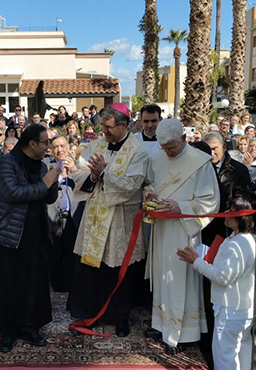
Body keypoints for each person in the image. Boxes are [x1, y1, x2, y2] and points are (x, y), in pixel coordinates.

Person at [67, 103, 148, 337]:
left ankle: (121, 318)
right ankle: (94, 314)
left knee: (120, 272)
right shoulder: (98, 144)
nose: (105, 131)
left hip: (120, 220)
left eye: (110, 127)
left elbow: (132, 185)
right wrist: (92, 176)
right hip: (95, 217)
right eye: (103, 125)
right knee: (95, 269)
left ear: (124, 126)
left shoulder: (137, 150)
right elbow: (79, 172)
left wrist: (103, 173)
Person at [144, 118, 220, 354]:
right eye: (164, 148)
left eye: (172, 148)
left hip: (184, 230)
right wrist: (148, 192)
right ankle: (161, 324)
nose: (168, 153)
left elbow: (211, 202)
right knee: (162, 277)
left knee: (179, 278)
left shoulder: (200, 163)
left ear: (185, 139)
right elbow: (150, 183)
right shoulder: (157, 157)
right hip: (161, 229)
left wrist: (180, 206)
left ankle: (183, 332)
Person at [0, 124, 60, 353]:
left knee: (32, 284)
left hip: (34, 233)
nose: (49, 146)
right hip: (7, 234)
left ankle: (29, 327)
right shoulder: (6, 163)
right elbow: (14, 193)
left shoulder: (41, 164)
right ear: (32, 144)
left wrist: (53, 181)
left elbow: (47, 198)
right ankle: (7, 332)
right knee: (8, 285)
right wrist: (45, 183)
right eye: (45, 142)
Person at [177, 198, 255, 370]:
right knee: (242, 355)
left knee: (224, 358)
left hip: (230, 311)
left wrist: (197, 261)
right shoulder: (243, 239)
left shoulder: (237, 245)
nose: (225, 214)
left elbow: (222, 277)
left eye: (230, 211)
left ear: (239, 218)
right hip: (241, 311)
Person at [44, 135, 79, 292]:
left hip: (72, 214)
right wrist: (58, 178)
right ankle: (57, 285)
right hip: (53, 214)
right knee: (55, 252)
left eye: (62, 146)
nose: (60, 150)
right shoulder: (45, 165)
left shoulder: (77, 164)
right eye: (56, 147)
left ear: (68, 147)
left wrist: (74, 171)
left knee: (72, 251)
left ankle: (71, 283)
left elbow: (85, 186)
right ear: (51, 150)